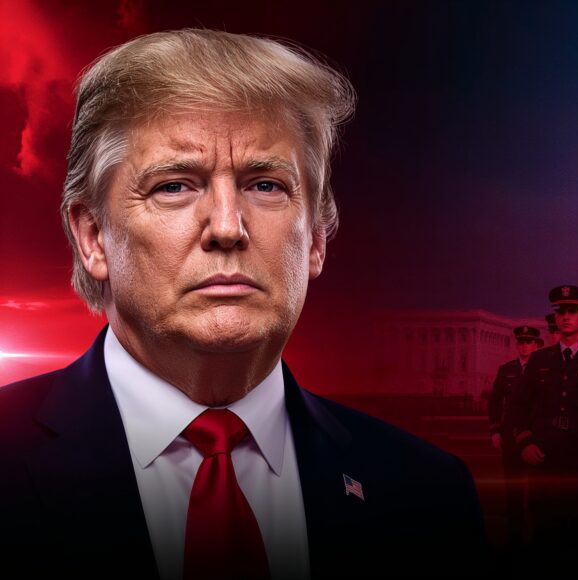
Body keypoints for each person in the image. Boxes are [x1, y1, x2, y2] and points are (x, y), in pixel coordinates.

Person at [0, 29, 484, 579]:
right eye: (175, 186)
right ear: (93, 238)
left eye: (266, 185)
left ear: (316, 239)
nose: (228, 228)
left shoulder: (428, 494)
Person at [516, 285, 578, 568]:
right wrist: (525, 442)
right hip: (545, 456)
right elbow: (519, 407)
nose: (566, 317)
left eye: (573, 311)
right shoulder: (539, 360)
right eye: (561, 311)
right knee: (544, 532)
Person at [488, 325, 540, 546]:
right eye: (521, 342)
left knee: (537, 486)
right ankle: (514, 533)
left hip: (536, 435)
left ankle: (537, 530)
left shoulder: (543, 368)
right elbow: (495, 402)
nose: (524, 346)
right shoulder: (507, 369)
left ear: (536, 344)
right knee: (513, 485)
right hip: (510, 435)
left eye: (528, 342)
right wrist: (495, 430)